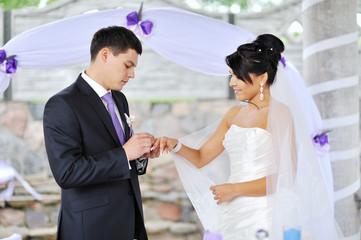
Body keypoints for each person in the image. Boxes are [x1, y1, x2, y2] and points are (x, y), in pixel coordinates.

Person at [155, 34, 344, 239]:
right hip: (232, 211)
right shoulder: (233, 114)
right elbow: (201, 157)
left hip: (264, 212)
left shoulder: (280, 113)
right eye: (231, 76)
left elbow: (285, 177)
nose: (232, 83)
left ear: (262, 77)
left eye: (238, 76)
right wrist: (175, 146)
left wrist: (235, 189)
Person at [43, 26, 159, 240]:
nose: (132, 75)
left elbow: (119, 153)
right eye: (128, 65)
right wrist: (124, 154)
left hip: (128, 223)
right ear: (105, 54)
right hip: (90, 228)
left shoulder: (119, 99)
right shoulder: (62, 104)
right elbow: (67, 173)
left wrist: (139, 154)